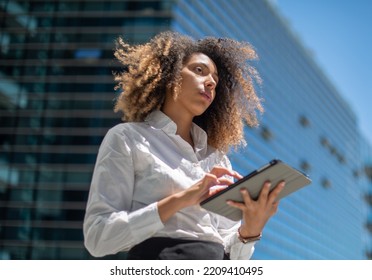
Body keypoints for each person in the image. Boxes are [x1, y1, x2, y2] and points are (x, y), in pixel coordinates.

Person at [83, 31, 285, 260]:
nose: (210, 82)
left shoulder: (218, 159)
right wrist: (182, 199)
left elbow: (233, 257)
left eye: (215, 81)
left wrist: (251, 229)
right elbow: (97, 238)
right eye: (199, 71)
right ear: (169, 75)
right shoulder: (128, 138)